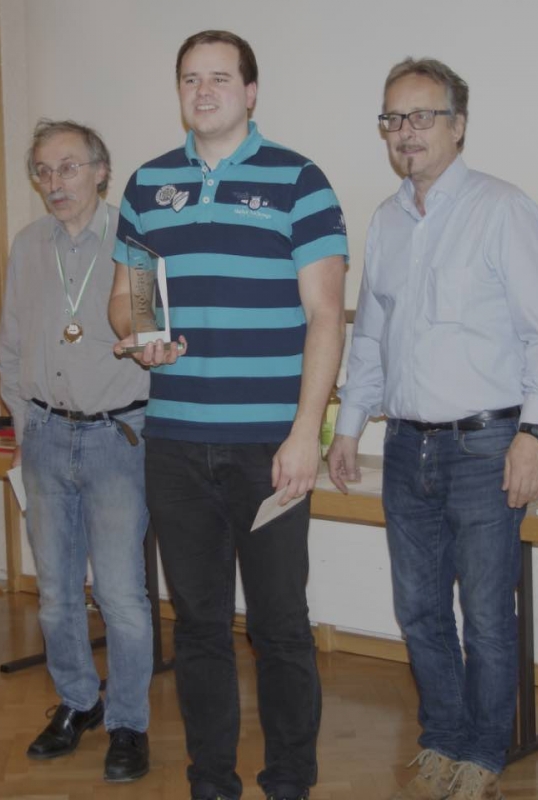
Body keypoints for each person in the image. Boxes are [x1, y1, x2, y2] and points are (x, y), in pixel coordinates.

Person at [327, 58, 538, 800]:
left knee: (488, 617)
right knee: (418, 610)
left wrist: (535, 434)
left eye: (422, 117)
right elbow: (370, 338)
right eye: (393, 119)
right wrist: (348, 428)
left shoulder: (503, 208)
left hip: (486, 445)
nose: (406, 133)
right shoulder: (386, 220)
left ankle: (484, 751)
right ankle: (441, 737)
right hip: (407, 444)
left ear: (458, 125)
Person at [107, 30, 347, 800]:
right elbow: (129, 296)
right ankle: (211, 783)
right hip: (175, 446)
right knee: (199, 628)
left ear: (250, 92)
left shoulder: (299, 181)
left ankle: (289, 785)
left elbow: (327, 317)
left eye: (219, 77)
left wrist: (304, 434)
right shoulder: (148, 185)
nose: (203, 91)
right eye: (190, 78)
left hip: (268, 448)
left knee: (280, 628)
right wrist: (142, 337)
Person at [0, 119, 153, 784]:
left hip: (116, 438)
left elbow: (149, 333)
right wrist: (22, 426)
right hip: (43, 435)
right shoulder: (27, 245)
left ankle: (129, 722)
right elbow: (11, 344)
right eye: (42, 170)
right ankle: (77, 701)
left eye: (68, 167)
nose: (54, 182)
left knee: (120, 595)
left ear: (100, 170)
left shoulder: (135, 241)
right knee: (56, 594)